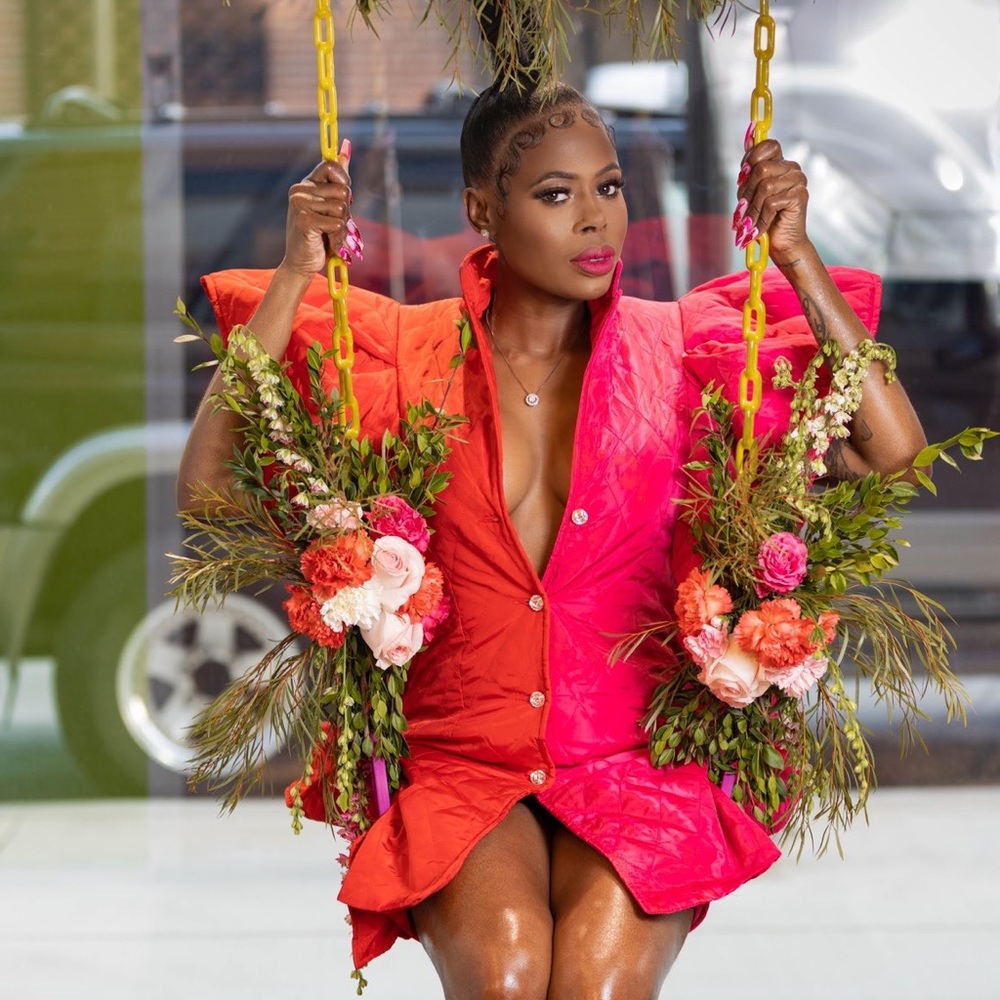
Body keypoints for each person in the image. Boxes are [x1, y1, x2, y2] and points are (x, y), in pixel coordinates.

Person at [178, 77, 926, 1000]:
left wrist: (799, 258)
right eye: (555, 194)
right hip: (462, 757)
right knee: (506, 975)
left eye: (608, 189)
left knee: (597, 987)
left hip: (636, 759)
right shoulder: (405, 362)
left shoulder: (684, 355)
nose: (595, 222)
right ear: (480, 210)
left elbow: (893, 459)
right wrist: (295, 273)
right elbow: (208, 496)